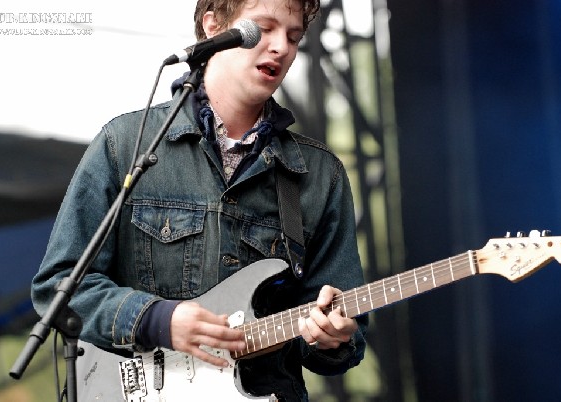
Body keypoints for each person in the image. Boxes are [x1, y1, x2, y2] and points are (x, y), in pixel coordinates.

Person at [31, 0, 369, 400]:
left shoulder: (319, 174)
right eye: (264, 28)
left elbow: (342, 338)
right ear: (213, 26)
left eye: (293, 37)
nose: (281, 47)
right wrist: (155, 319)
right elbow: (59, 287)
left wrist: (333, 339)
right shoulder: (124, 145)